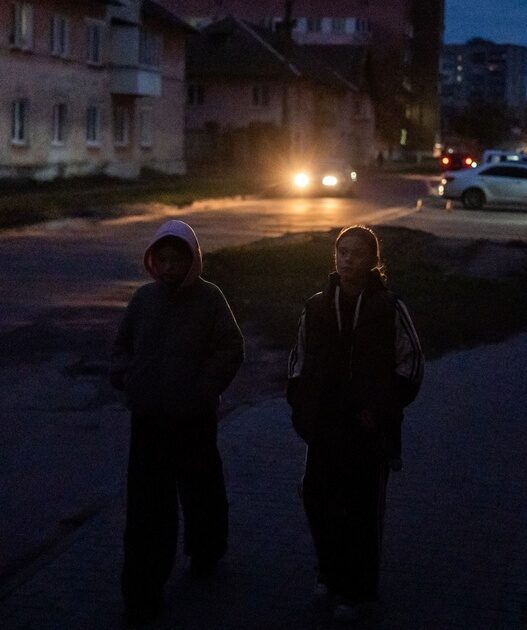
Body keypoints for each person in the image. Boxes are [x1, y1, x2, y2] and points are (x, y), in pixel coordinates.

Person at [110, 219, 244, 626]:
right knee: (148, 509)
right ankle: (143, 591)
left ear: (193, 261)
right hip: (149, 419)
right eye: (162, 260)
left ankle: (206, 551)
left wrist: (204, 388)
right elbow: (122, 345)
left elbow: (230, 347)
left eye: (177, 260)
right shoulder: (143, 300)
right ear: (153, 261)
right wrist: (126, 375)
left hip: (193, 420)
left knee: (202, 490)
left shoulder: (210, 299)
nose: (169, 268)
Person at [287, 225, 423, 622]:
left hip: (367, 428)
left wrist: (382, 409)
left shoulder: (388, 306)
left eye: (357, 253)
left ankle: (357, 589)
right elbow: (298, 359)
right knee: (317, 498)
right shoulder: (316, 306)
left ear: (373, 261)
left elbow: (411, 362)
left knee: (361, 507)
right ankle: (329, 572)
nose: (347, 259)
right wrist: (302, 406)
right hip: (324, 425)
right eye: (341, 251)